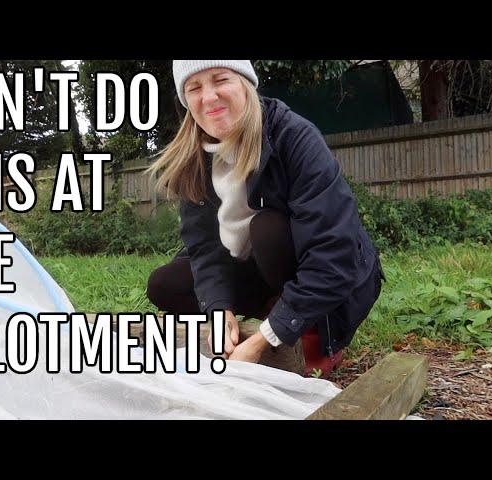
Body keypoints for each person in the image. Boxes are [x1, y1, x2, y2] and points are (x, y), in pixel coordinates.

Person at [145, 60, 385, 378]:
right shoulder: (194, 158)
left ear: (246, 81)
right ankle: (269, 320)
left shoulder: (294, 137)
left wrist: (262, 340)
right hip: (256, 268)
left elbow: (334, 255)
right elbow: (204, 248)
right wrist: (219, 309)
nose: (209, 97)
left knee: (266, 230)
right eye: (195, 88)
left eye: (220, 79)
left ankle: (312, 335)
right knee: (165, 283)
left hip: (331, 278)